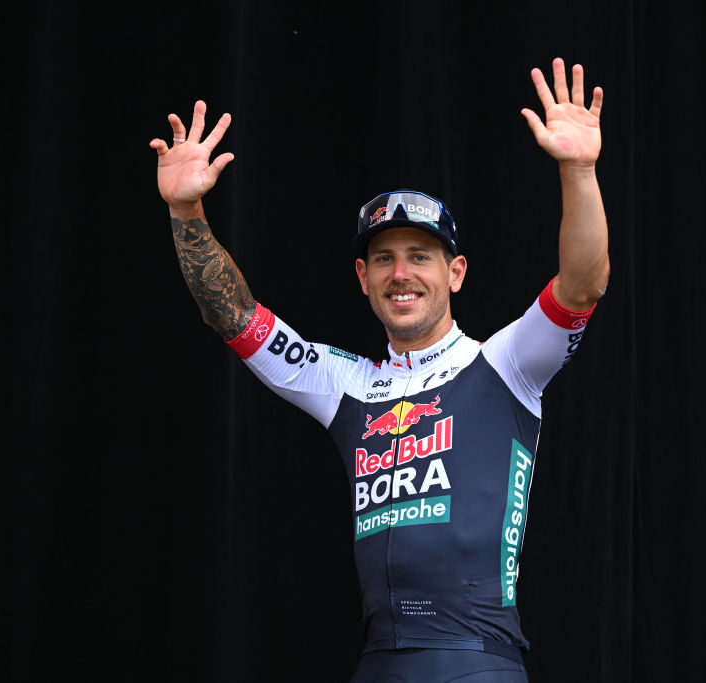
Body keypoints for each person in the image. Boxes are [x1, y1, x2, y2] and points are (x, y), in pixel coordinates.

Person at [150, 58, 609, 683]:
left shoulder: (506, 364)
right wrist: (187, 213)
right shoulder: (348, 385)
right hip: (377, 665)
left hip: (477, 665)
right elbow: (234, 318)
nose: (401, 273)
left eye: (420, 256)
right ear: (362, 279)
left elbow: (582, 286)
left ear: (456, 272)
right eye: (384, 258)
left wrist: (578, 170)